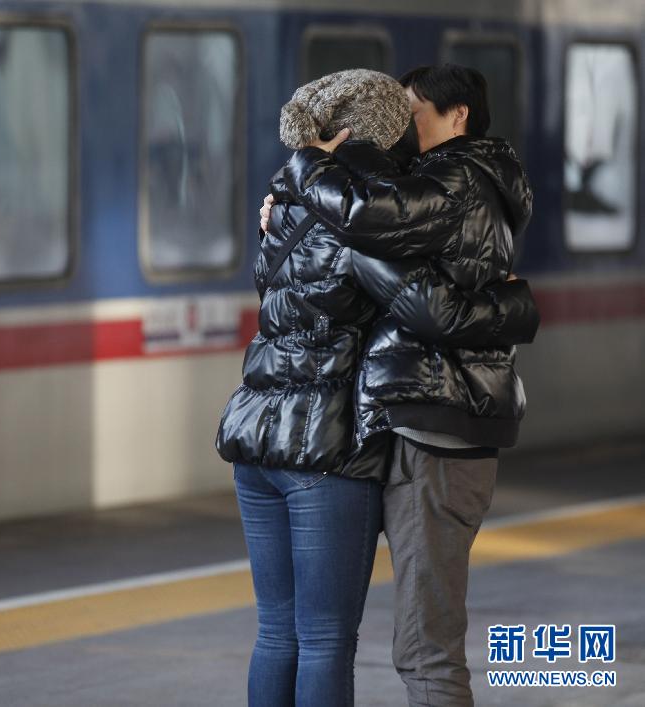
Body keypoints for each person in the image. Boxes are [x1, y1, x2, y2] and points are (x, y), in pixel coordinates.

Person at [217, 68, 538, 707]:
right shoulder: (365, 208)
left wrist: (292, 189)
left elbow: (284, 292)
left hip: (255, 431)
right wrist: (515, 307)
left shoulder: (283, 201)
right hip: (324, 446)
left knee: (278, 633)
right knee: (327, 639)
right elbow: (422, 300)